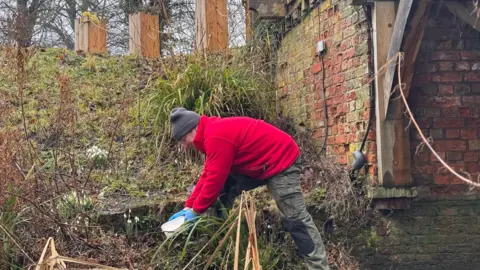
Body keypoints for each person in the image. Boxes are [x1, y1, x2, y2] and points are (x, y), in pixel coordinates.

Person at [167, 107, 330, 270]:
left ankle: (319, 266)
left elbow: (214, 180)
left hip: (281, 160)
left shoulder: (215, 136)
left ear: (193, 128)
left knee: (296, 220)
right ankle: (222, 242)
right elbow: (208, 174)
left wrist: (195, 211)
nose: (185, 146)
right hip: (259, 165)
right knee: (223, 190)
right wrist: (189, 205)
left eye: (183, 140)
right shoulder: (210, 133)